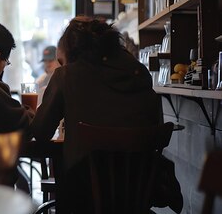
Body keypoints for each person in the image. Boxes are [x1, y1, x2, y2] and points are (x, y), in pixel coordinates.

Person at [29, 16, 181, 213]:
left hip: (83, 198)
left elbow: (40, 132)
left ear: (73, 53)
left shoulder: (67, 76)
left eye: (62, 60)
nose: (62, 65)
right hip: (137, 195)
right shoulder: (140, 73)